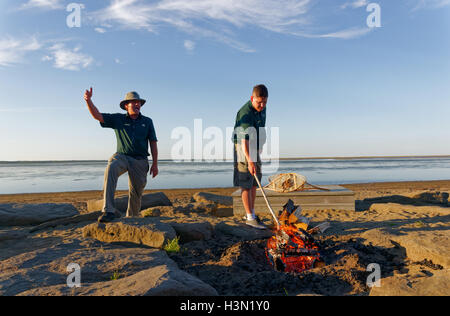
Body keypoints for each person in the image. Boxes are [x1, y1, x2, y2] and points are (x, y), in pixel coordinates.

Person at [84, 88, 159, 222]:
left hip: (140, 160)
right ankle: (108, 211)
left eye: (139, 103)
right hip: (122, 156)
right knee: (111, 167)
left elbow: (153, 142)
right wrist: (88, 100)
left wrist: (155, 164)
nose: (137, 104)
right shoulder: (117, 119)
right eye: (134, 102)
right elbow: (97, 116)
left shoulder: (147, 121)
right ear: (126, 105)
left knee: (136, 192)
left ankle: (132, 217)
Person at [233, 84, 268, 229]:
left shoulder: (263, 109)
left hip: (254, 145)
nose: (262, 105)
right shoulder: (245, 113)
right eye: (259, 102)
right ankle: (249, 217)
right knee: (246, 183)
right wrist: (249, 161)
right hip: (243, 147)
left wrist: (259, 148)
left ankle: (252, 213)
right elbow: (244, 141)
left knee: (255, 182)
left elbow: (260, 129)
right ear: (252, 98)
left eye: (265, 102)